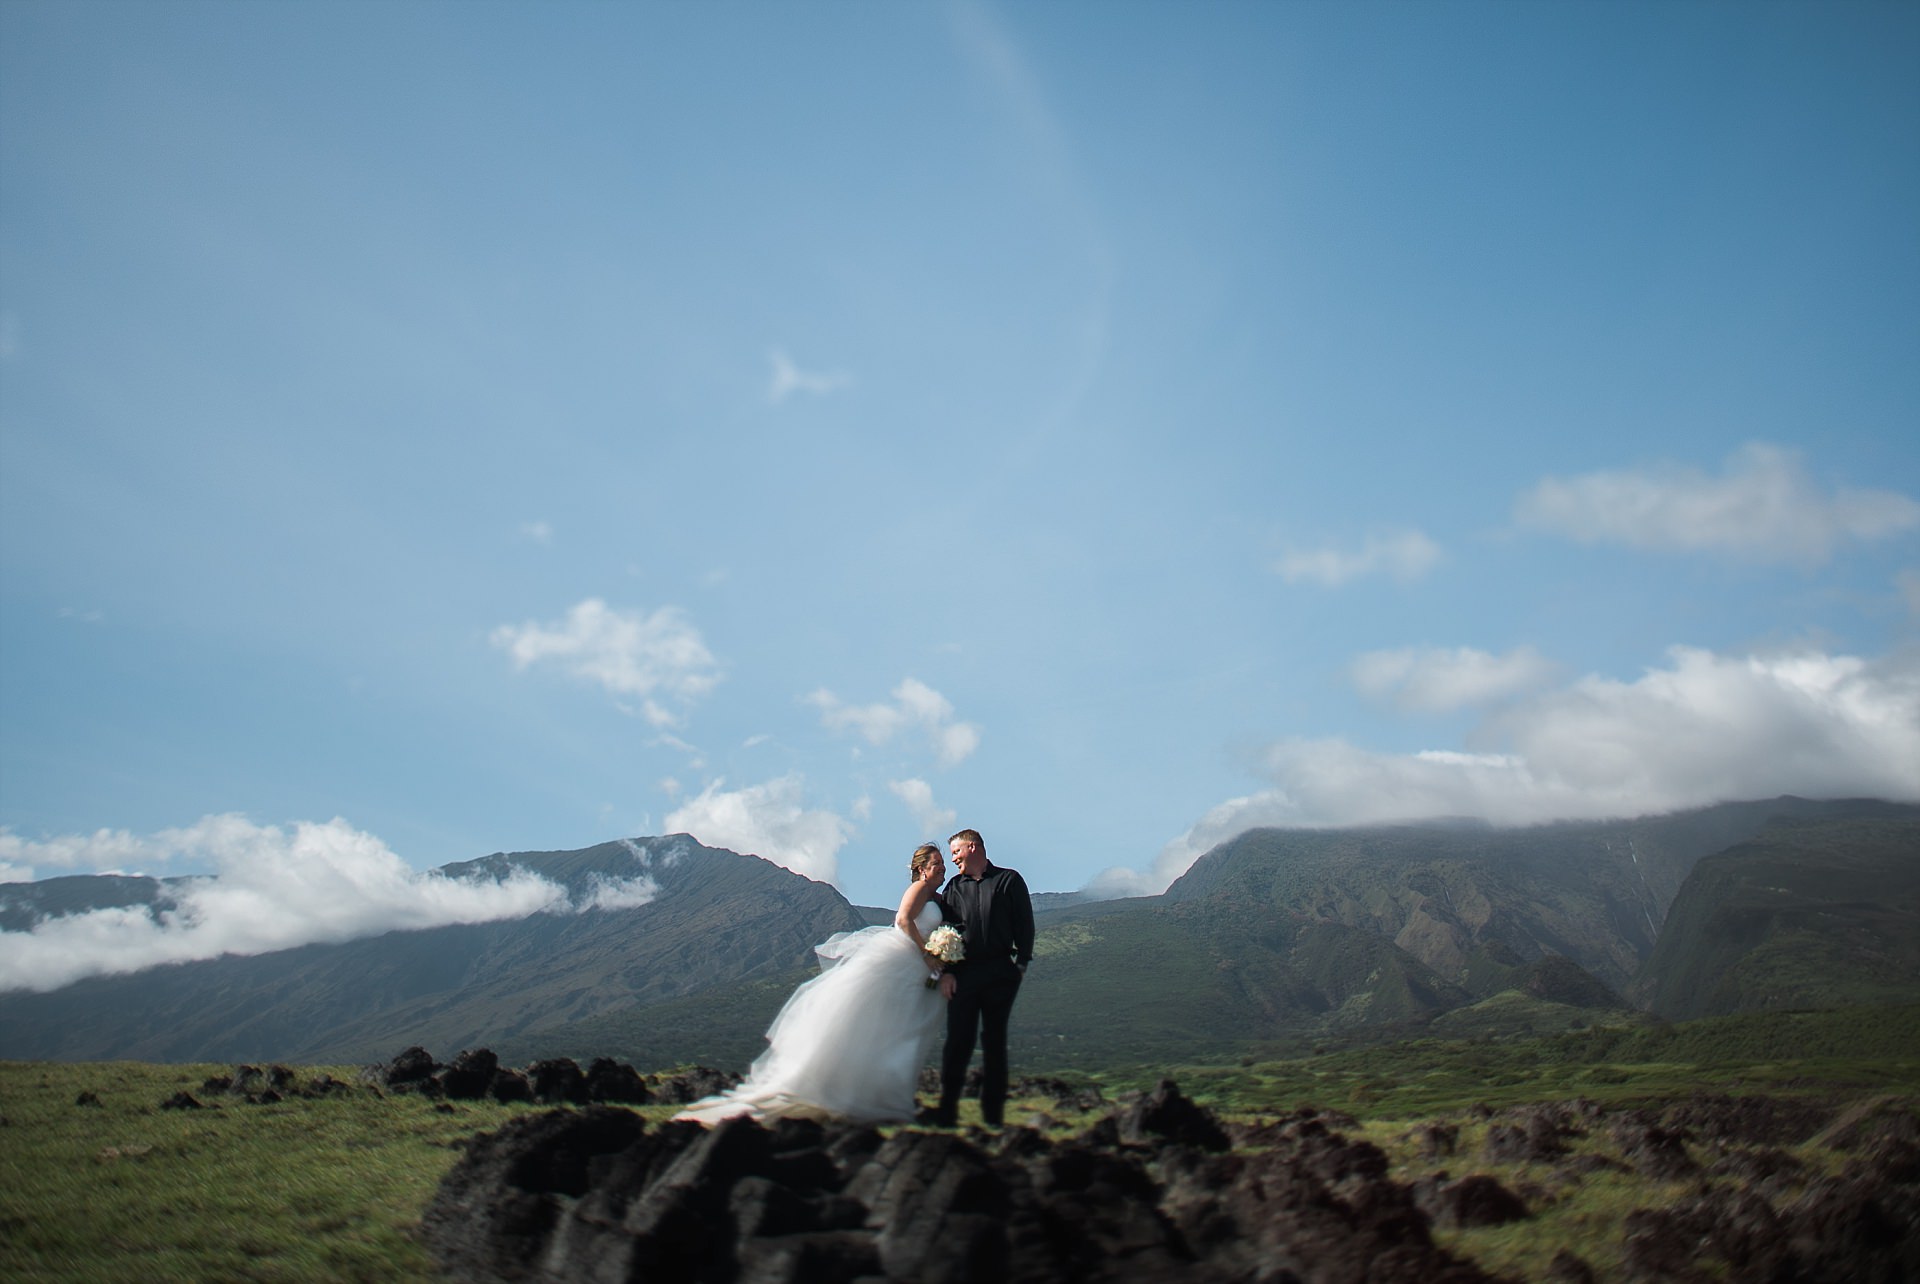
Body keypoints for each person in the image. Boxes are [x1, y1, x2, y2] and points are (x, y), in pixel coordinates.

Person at [674, 844, 951, 1125]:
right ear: (921, 869)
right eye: (937, 863)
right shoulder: (917, 890)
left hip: (913, 968)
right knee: (874, 1026)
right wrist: (927, 954)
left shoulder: (936, 897)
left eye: (942, 863)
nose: (942, 867)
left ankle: (873, 1094)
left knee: (891, 1031)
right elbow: (903, 920)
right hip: (899, 962)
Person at [929, 827, 1034, 1128]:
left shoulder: (1009, 880)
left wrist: (1022, 964)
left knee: (994, 1042)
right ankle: (947, 1112)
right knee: (958, 1041)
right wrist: (947, 973)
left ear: (973, 848)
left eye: (957, 853)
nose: (954, 859)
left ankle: (993, 1117)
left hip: (1001, 972)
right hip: (963, 974)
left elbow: (1024, 923)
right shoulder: (954, 887)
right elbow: (944, 929)